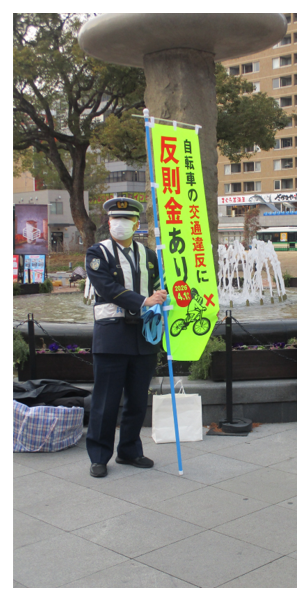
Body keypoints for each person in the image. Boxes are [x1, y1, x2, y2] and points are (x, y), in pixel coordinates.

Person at [85, 198, 167, 477]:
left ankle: (130, 450)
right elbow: (106, 288)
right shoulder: (98, 253)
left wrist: (164, 294)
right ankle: (99, 456)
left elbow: (159, 285)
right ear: (109, 223)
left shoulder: (149, 255)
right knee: (105, 401)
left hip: (144, 336)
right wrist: (144, 301)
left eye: (126, 219)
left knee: (137, 400)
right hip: (112, 335)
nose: (119, 224)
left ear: (136, 223)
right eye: (115, 219)